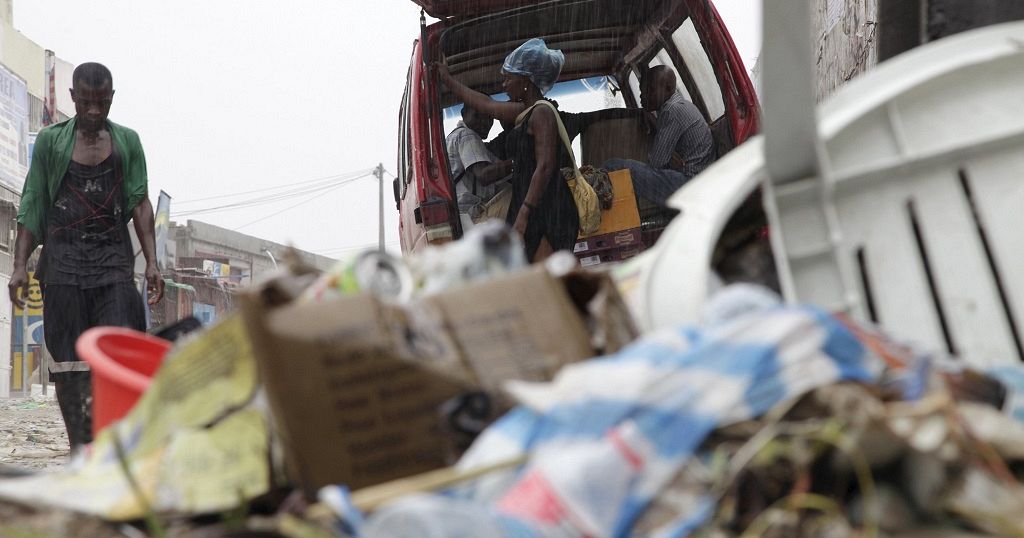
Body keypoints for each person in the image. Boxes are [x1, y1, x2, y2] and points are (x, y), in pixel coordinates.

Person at [8, 62, 164, 452]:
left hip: (112, 264)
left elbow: (140, 204)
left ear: (111, 98)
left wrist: (154, 263)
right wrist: (18, 266)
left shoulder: (127, 142)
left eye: (102, 103)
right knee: (69, 363)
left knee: (121, 349)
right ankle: (81, 445)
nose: (95, 112)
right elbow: (34, 202)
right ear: (74, 98)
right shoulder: (50, 143)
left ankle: (116, 443)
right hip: (62, 265)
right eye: (87, 103)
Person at [438, 38, 578, 261]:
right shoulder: (524, 112)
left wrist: (524, 212)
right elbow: (485, 105)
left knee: (548, 278)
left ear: (525, 80)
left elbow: (545, 166)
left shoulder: (542, 113)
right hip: (532, 207)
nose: (503, 86)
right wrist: (448, 80)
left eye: (508, 78)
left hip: (546, 207)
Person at [603, 65, 716, 206]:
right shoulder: (680, 105)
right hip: (699, 180)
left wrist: (667, 159)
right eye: (642, 91)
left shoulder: (671, 111)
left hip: (690, 184)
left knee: (614, 166)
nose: (643, 96)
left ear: (668, 89)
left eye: (650, 90)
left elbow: (657, 162)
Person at [445, 105, 513, 220]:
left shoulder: (455, 137)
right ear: (463, 114)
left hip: (460, 220)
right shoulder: (467, 135)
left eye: (489, 116)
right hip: (473, 217)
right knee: (525, 193)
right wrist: (518, 162)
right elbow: (484, 175)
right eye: (477, 116)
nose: (485, 122)